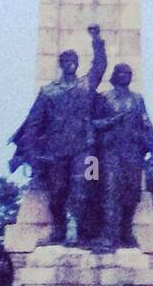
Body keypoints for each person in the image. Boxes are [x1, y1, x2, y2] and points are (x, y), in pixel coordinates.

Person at [9, 25, 107, 243]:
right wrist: (32, 151)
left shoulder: (86, 85)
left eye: (74, 60)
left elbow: (100, 65)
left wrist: (97, 39)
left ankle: (74, 229)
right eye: (66, 61)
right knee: (57, 191)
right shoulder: (48, 91)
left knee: (82, 188)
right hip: (56, 150)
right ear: (61, 64)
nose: (71, 63)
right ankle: (59, 228)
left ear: (77, 64)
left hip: (84, 148)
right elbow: (34, 123)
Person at [91, 61, 153, 248]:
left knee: (132, 192)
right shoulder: (105, 97)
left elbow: (146, 123)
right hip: (110, 150)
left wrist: (152, 148)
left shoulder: (138, 99)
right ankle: (108, 233)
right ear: (115, 76)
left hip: (132, 151)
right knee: (109, 190)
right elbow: (93, 124)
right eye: (122, 73)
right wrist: (111, 121)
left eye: (129, 73)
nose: (126, 75)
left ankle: (126, 230)